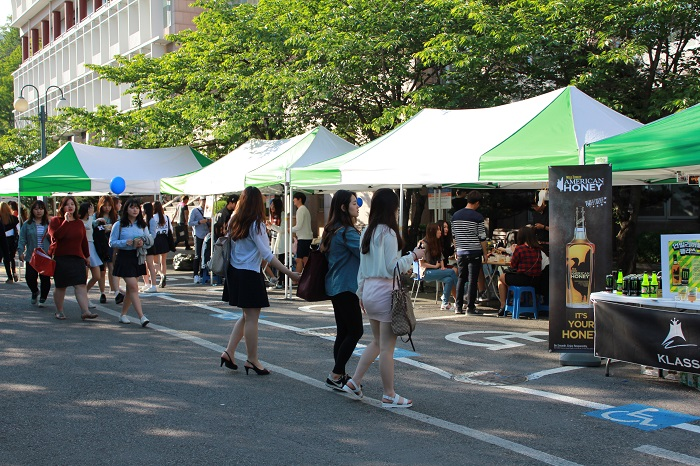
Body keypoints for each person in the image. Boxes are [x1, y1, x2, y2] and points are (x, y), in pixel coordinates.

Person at [342, 188, 425, 409]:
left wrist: (361, 293)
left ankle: (355, 381)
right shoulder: (388, 233)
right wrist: (413, 256)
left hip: (369, 290)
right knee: (387, 347)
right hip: (385, 291)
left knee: (378, 342)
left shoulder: (366, 230)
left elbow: (362, 267)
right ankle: (388, 394)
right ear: (392, 208)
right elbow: (392, 268)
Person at [219, 186, 300, 375]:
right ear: (257, 203)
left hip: (235, 272)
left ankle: (229, 352)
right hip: (249, 274)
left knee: (247, 316)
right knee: (252, 318)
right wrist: (290, 273)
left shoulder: (234, 220)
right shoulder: (256, 223)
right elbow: (267, 255)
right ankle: (252, 359)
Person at [320, 190, 362, 390]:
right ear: (344, 207)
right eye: (354, 203)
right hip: (346, 286)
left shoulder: (331, 229)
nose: (358, 206)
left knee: (343, 331)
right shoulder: (348, 231)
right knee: (355, 331)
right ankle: (336, 374)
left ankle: (340, 373)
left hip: (334, 285)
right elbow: (365, 254)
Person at [48, 196, 98, 321]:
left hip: (77, 258)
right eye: (67, 204)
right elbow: (56, 235)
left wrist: (87, 256)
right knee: (61, 286)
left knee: (80, 285)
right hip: (61, 258)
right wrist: (66, 222)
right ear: (62, 207)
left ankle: (85, 311)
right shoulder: (56, 221)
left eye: (72, 204)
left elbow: (83, 241)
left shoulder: (79, 223)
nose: (70, 206)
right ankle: (59, 311)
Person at [109, 198, 151, 327]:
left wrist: (142, 242)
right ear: (126, 209)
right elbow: (111, 242)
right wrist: (125, 242)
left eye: (137, 207)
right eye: (132, 207)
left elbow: (149, 241)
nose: (135, 210)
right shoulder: (119, 224)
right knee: (133, 286)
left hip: (137, 257)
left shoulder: (142, 225)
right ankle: (141, 316)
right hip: (124, 256)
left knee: (130, 289)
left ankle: (123, 314)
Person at [451, 190, 489, 315]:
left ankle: (458, 306)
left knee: (461, 278)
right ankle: (470, 307)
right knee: (473, 279)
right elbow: (482, 237)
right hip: (474, 252)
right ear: (477, 202)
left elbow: (454, 236)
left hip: (461, 251)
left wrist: (456, 250)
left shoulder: (455, 216)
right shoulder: (477, 217)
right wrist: (485, 253)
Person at [497, 226, 543, 317]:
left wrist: (514, 252)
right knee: (510, 279)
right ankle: (518, 299)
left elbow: (513, 265)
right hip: (536, 280)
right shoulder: (538, 249)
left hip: (522, 279)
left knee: (502, 277)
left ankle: (503, 305)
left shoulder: (520, 248)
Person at [17, 200, 52, 306]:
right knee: (30, 278)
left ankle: (43, 298)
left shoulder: (49, 224)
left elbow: (55, 239)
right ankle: (35, 291)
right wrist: (20, 251)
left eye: (41, 208)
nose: (38, 211)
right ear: (32, 210)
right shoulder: (27, 224)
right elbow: (22, 239)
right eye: (36, 209)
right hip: (32, 256)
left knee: (45, 279)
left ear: (44, 210)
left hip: (45, 255)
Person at [419, 223, 457, 311]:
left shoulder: (436, 242)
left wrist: (442, 267)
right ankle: (460, 297)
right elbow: (421, 264)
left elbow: (441, 257)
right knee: (451, 272)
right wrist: (435, 266)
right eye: (438, 230)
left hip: (435, 270)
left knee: (449, 280)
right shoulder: (423, 244)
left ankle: (445, 303)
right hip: (426, 272)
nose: (440, 232)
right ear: (433, 232)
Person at [79, 202, 105, 309]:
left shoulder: (91, 219)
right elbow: (87, 226)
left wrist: (97, 221)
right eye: (91, 208)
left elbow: (91, 224)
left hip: (91, 246)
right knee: (83, 277)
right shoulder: (78, 221)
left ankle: (84, 294)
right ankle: (84, 298)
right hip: (82, 247)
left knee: (97, 275)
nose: (92, 209)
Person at [93, 195, 119, 304]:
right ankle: (102, 292)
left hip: (111, 243)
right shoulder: (96, 215)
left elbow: (120, 226)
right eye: (105, 206)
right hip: (100, 243)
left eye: (109, 206)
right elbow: (91, 225)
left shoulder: (115, 217)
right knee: (102, 269)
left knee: (112, 267)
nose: (107, 208)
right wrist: (97, 222)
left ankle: (116, 291)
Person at [265, 197, 286, 289]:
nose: (271, 207)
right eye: (271, 205)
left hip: (281, 242)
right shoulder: (272, 216)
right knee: (275, 261)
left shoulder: (282, 215)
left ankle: (281, 280)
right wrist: (269, 226)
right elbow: (271, 229)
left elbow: (282, 230)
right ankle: (277, 280)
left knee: (280, 261)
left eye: (273, 205)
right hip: (273, 241)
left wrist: (271, 226)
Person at [188, 197, 209, 284]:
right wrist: (199, 222)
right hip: (198, 234)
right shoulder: (195, 210)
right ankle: (196, 274)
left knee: (206, 254)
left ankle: (203, 274)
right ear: (200, 201)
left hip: (207, 234)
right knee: (198, 255)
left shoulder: (208, 211)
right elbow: (190, 223)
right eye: (203, 200)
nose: (204, 202)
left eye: (206, 201)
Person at [151, 201, 172, 288]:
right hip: (164, 239)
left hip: (155, 239)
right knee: (163, 261)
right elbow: (170, 229)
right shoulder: (166, 217)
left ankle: (161, 275)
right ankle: (163, 277)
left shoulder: (152, 218)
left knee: (155, 262)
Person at [292, 191, 313, 274]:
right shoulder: (305, 209)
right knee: (305, 258)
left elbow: (298, 226)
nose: (293, 200)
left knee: (299, 259)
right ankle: (308, 277)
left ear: (299, 199)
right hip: (307, 237)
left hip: (303, 238)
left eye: (294, 198)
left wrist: (289, 229)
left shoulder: (300, 210)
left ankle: (296, 279)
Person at [140, 202, 159, 292]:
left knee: (150, 265)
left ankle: (153, 285)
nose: (141, 210)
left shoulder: (151, 220)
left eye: (143, 209)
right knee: (144, 265)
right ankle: (146, 283)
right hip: (143, 245)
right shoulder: (143, 219)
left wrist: (145, 239)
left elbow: (153, 235)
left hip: (149, 245)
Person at [1, 202, 20, 283]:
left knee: (5, 259)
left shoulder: (1, 219)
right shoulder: (13, 219)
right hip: (12, 240)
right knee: (11, 257)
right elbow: (18, 229)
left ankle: (9, 277)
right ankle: (14, 272)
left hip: (3, 240)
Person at [531, 190, 549, 256]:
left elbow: (556, 230)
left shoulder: (550, 211)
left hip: (550, 244)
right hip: (539, 243)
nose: (535, 208)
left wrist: (543, 227)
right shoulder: (535, 214)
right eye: (533, 207)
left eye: (536, 206)